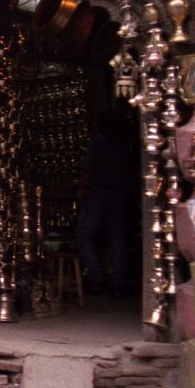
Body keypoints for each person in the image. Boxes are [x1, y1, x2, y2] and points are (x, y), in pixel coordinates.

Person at [74, 118, 133, 296]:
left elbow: (88, 170)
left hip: (99, 193)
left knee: (83, 234)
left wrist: (82, 189)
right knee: (117, 240)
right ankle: (117, 282)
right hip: (120, 195)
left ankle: (96, 276)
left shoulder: (97, 144)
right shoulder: (123, 147)